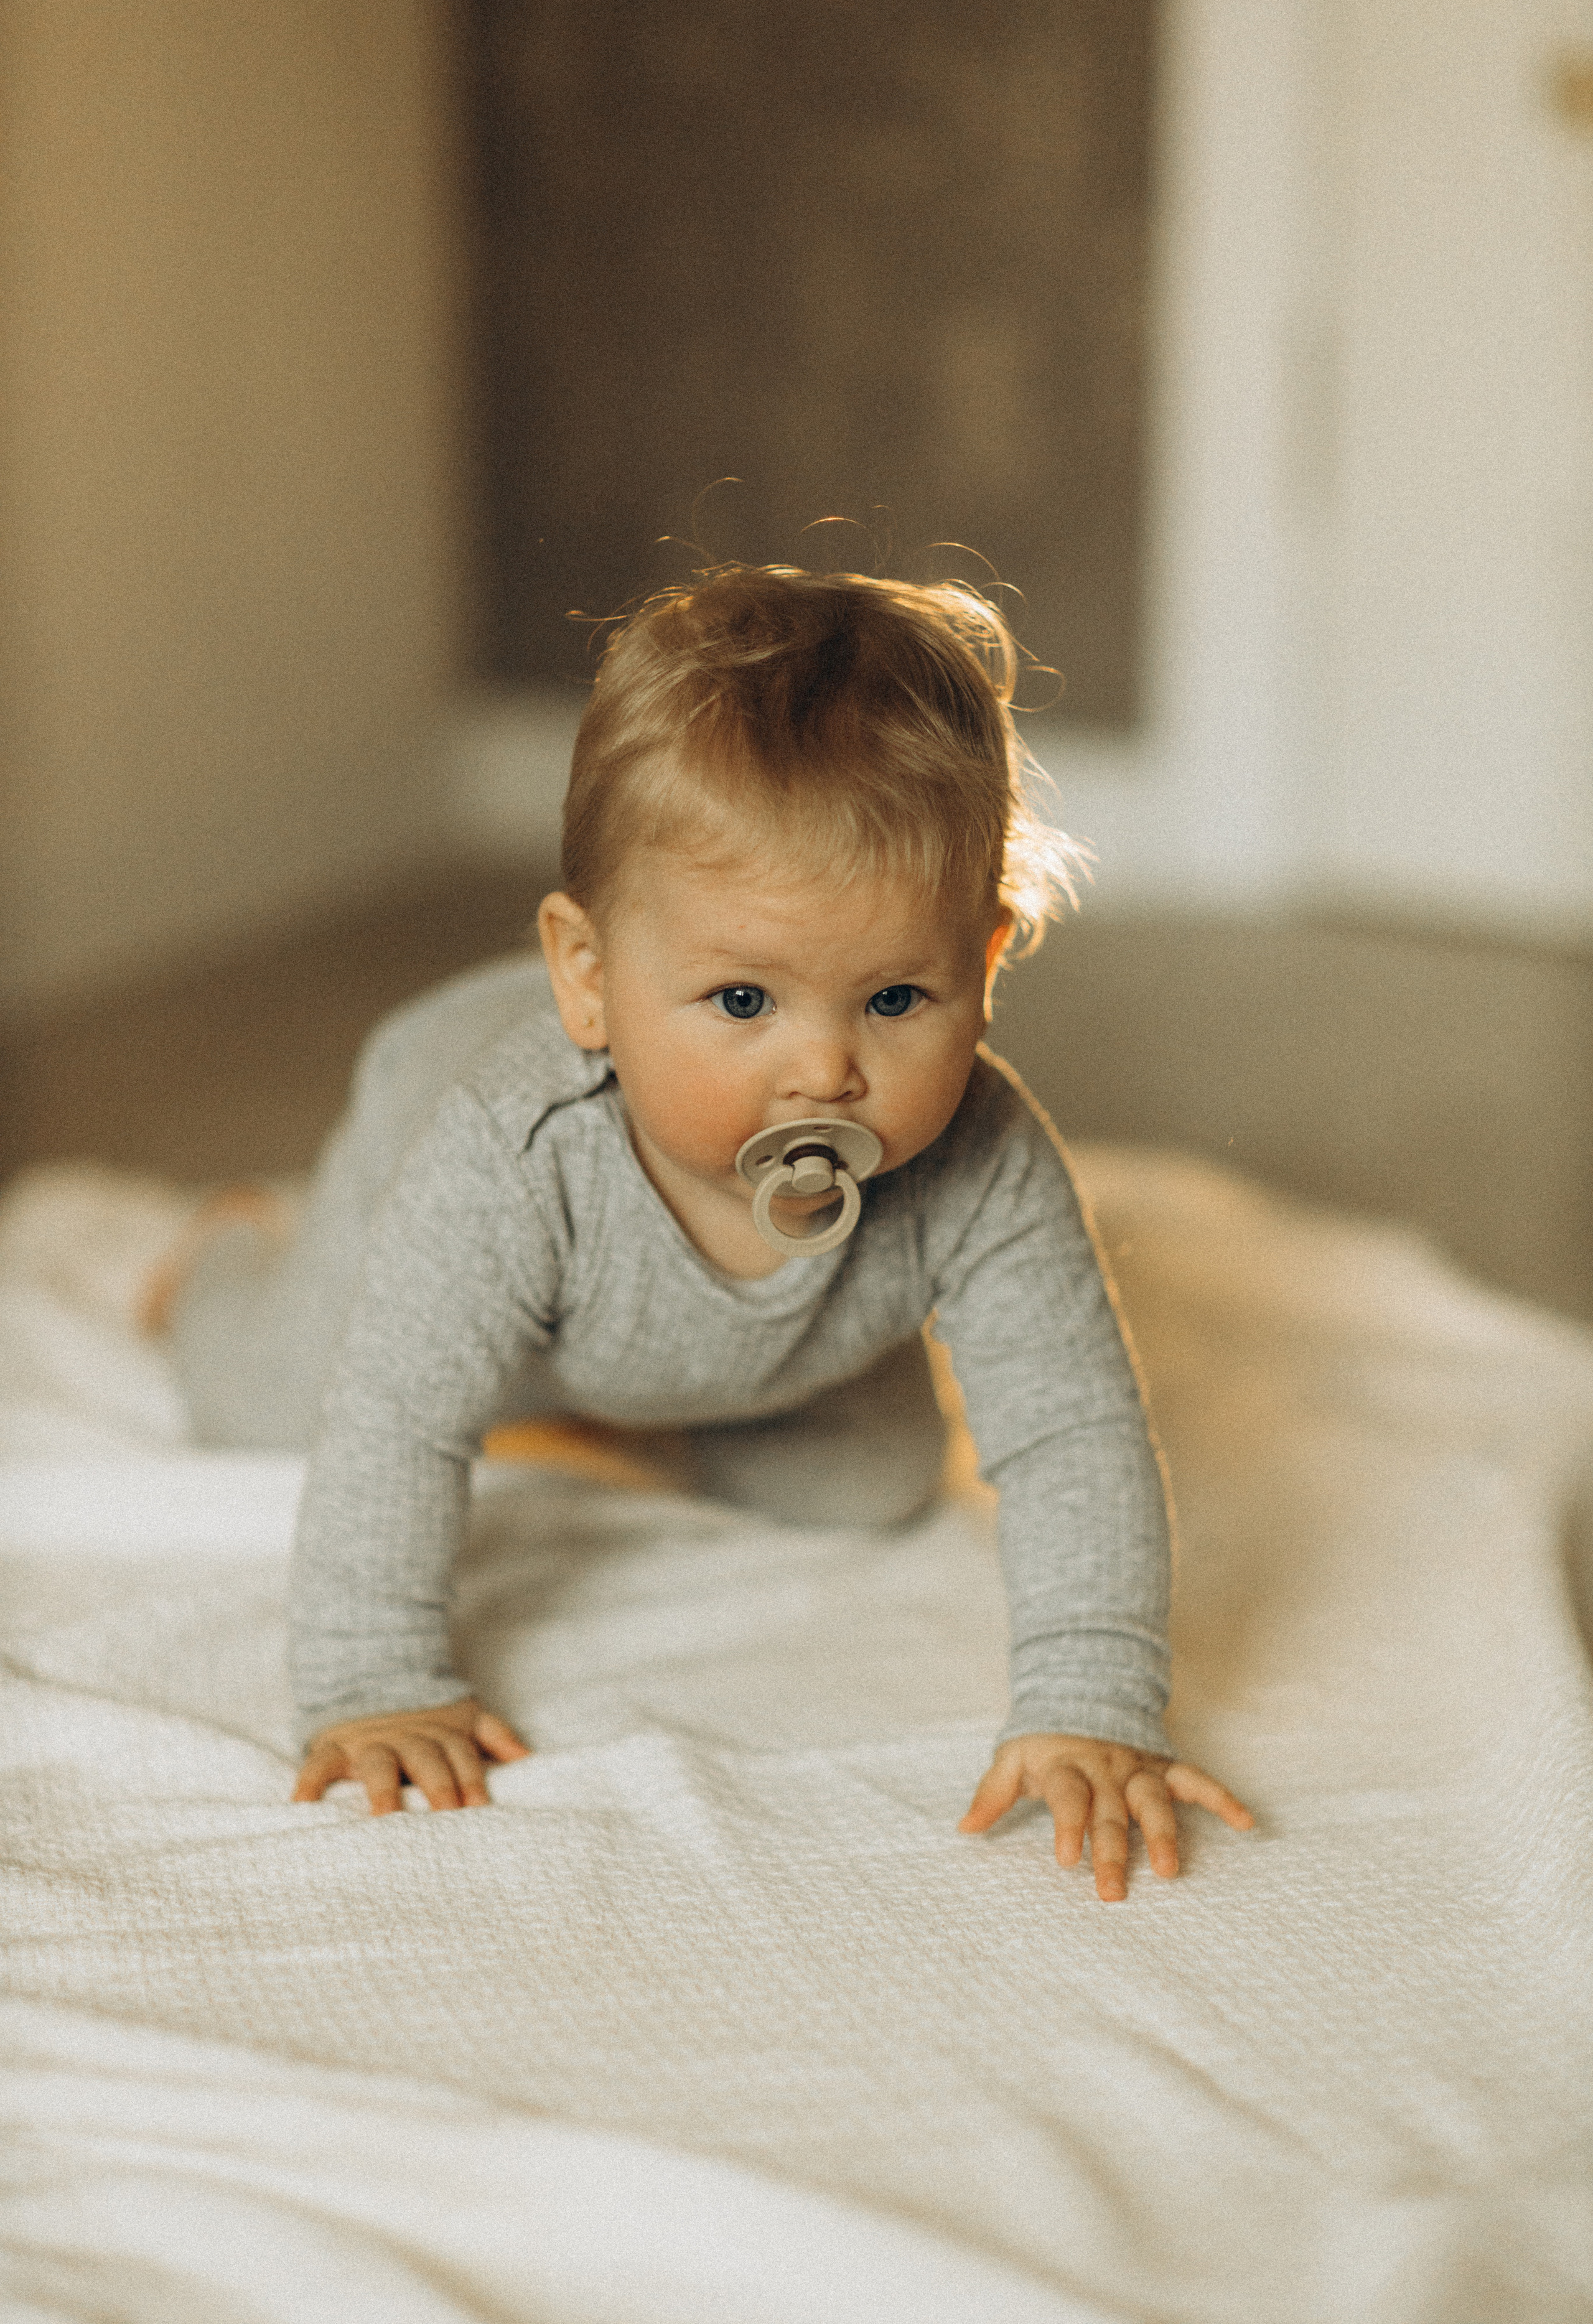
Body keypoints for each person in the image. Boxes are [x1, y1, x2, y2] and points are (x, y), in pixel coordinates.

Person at [165, 565, 1251, 1900]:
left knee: (864, 1487)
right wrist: (374, 1680)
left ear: (985, 961)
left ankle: (640, 1385)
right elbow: (394, 1423)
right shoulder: (507, 1151)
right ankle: (231, 1244)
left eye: (896, 997)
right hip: (432, 1161)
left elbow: (1069, 1429)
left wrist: (1091, 1695)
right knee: (267, 1403)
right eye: (744, 999)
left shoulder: (984, 1156)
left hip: (715, 1331)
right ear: (587, 978)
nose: (823, 1072)